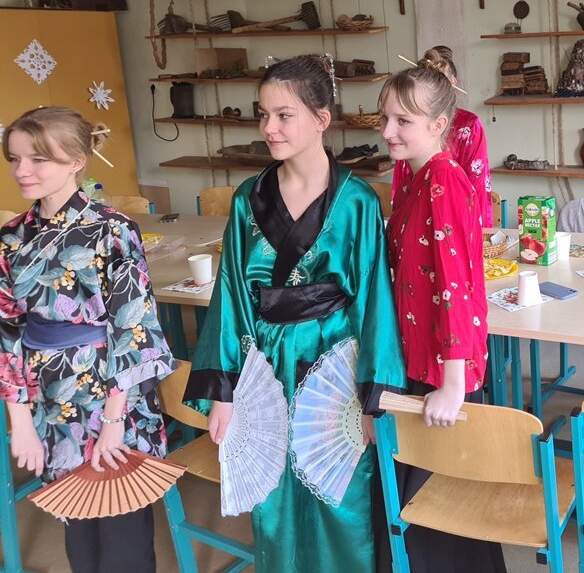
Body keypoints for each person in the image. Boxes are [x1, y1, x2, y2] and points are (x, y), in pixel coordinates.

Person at [183, 56, 406, 571]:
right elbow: (231, 295)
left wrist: (374, 398)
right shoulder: (248, 199)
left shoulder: (357, 201)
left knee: (339, 488)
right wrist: (224, 391)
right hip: (264, 361)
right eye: (263, 115)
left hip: (334, 362)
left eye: (284, 115)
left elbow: (374, 299)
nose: (269, 128)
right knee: (274, 492)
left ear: (322, 118)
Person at [0, 106, 174, 572]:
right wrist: (20, 421)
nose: (22, 170)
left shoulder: (112, 229)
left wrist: (114, 421)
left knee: (122, 528)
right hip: (49, 393)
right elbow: (6, 331)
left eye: (38, 159)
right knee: (75, 523)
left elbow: (134, 328)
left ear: (77, 161)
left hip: (111, 391)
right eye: (14, 158)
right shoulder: (10, 238)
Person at [378, 63, 504, 572]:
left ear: (438, 125)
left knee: (439, 511)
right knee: (418, 509)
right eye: (385, 118)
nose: (388, 131)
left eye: (403, 121)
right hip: (418, 357)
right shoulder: (415, 176)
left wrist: (452, 384)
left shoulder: (444, 182)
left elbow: (456, 288)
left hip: (441, 369)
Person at [392, 46, 494, 226]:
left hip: (456, 218)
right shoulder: (409, 126)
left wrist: (478, 231)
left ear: (453, 83)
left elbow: (477, 182)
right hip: (413, 216)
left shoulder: (469, 124)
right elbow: (402, 178)